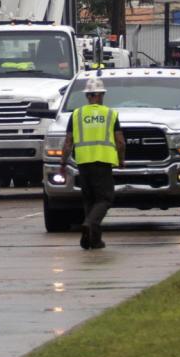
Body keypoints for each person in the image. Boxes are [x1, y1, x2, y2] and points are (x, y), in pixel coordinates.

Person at [60, 75, 125, 250]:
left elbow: (68, 142)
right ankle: (89, 224)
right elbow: (120, 141)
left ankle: (92, 241)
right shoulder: (110, 114)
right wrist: (121, 159)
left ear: (87, 96)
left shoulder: (77, 114)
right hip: (102, 162)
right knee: (105, 198)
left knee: (89, 200)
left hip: (83, 162)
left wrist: (62, 163)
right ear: (101, 95)